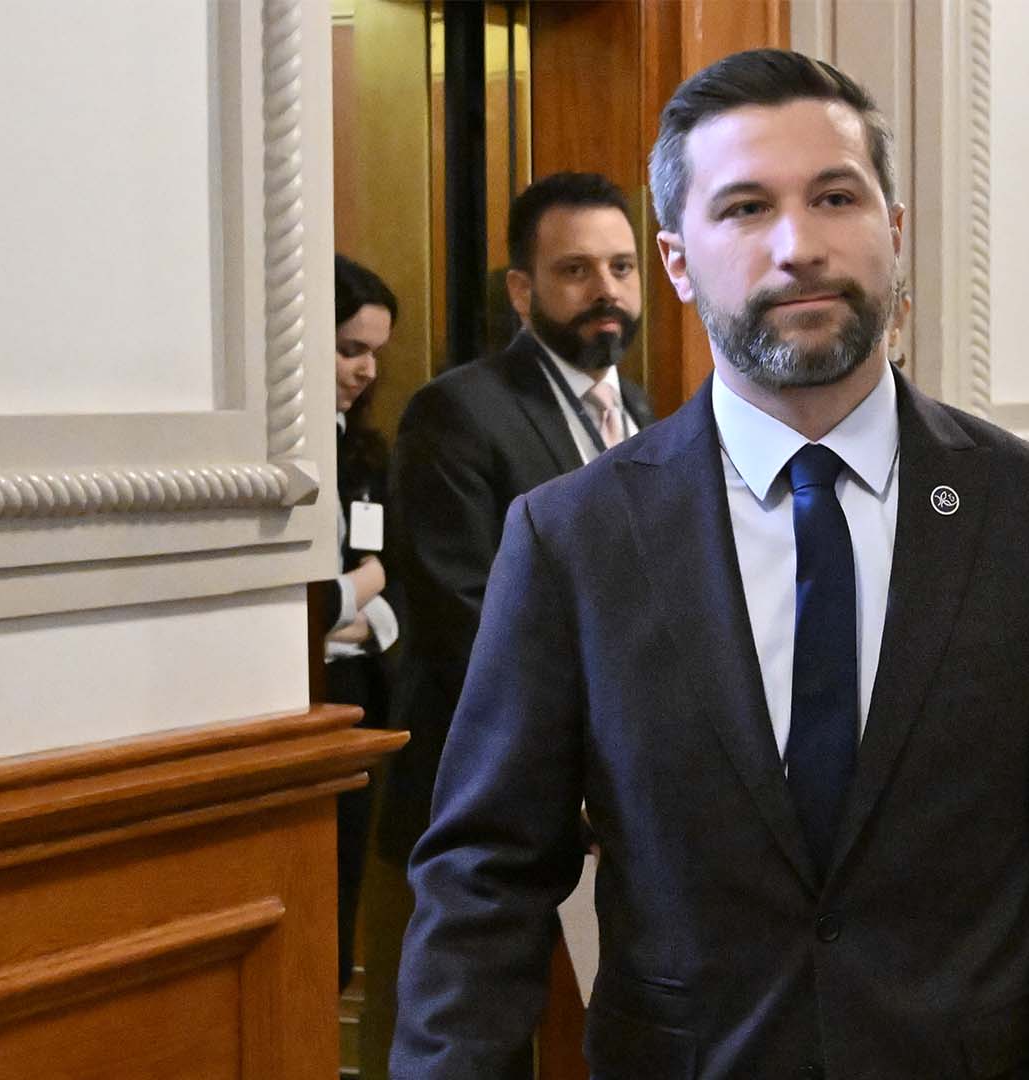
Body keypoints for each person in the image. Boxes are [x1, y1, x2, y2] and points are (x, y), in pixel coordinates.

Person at [392, 48, 1029, 1078]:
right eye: (742, 209)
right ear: (677, 261)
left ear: (895, 232)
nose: (798, 247)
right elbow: (484, 879)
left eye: (835, 198)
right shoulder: (574, 537)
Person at [359, 172, 657, 1080]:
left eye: (621, 266)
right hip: (484, 791)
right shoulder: (460, 410)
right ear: (523, 291)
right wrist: (590, 760)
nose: (606, 289)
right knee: (459, 1030)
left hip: (610, 800)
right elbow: (464, 617)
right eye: (576, 270)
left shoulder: (644, 414)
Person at [325, 253, 401, 991]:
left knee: (345, 898)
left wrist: (363, 610)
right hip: (299, 702)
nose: (366, 370)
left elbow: (398, 581)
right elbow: (303, 603)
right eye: (349, 350)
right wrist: (361, 591)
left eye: (374, 352)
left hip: (361, 703)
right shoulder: (286, 454)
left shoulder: (369, 452)